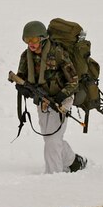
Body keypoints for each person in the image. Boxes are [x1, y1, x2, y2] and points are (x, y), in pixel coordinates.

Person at [14, 21, 87, 174]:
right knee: (50, 139)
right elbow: (20, 76)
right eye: (27, 40)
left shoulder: (58, 53)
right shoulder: (26, 56)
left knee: (52, 140)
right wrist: (22, 87)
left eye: (34, 40)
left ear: (42, 38)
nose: (30, 44)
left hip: (63, 99)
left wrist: (61, 96)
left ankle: (54, 176)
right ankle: (74, 162)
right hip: (42, 101)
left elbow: (73, 81)